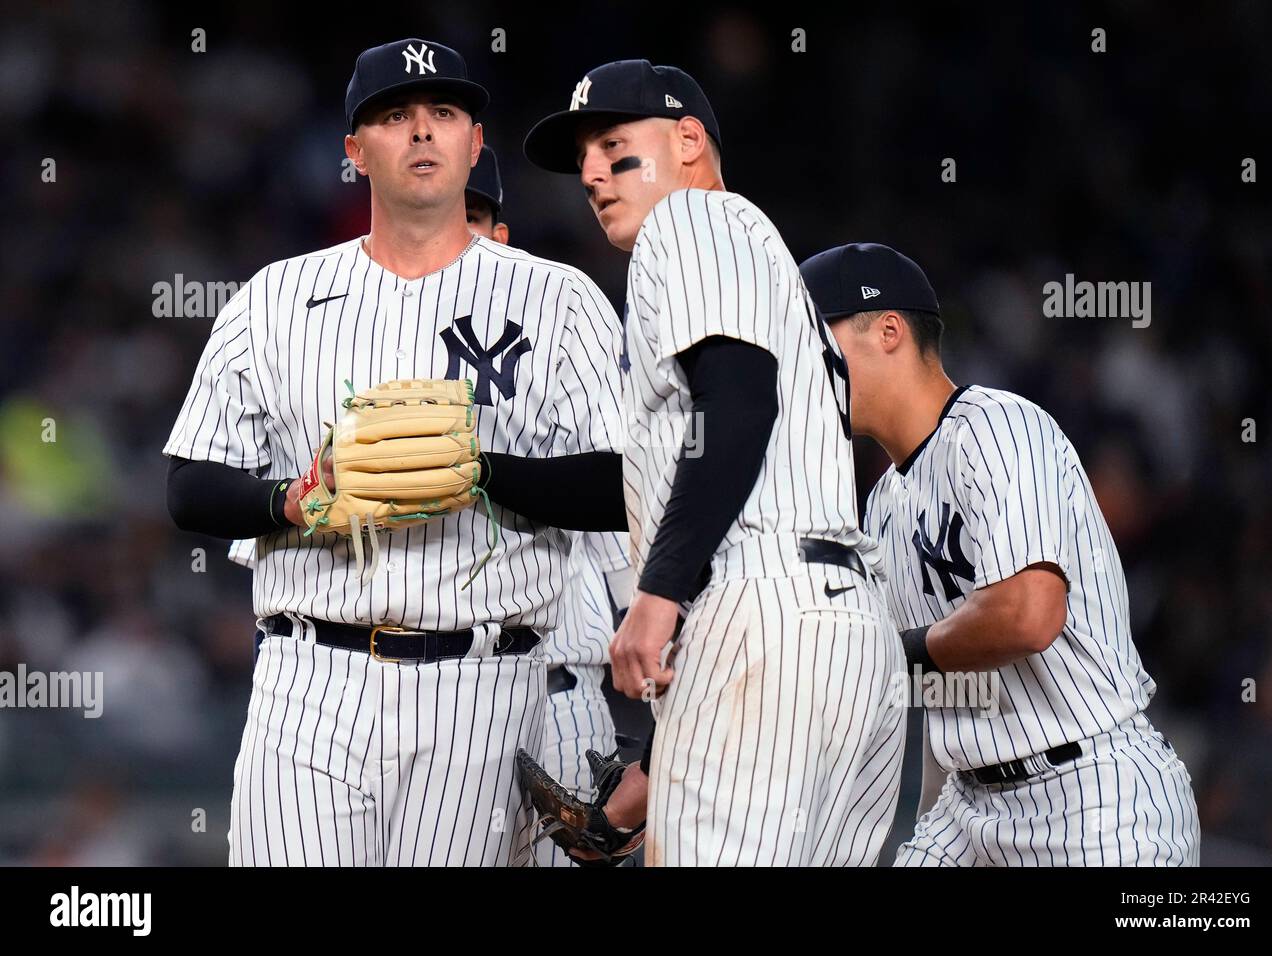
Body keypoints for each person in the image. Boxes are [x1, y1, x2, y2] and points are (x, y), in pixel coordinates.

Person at [164, 38, 623, 866]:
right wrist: (289, 501)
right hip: (311, 674)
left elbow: (624, 484)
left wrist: (483, 473)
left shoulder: (559, 299)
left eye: (443, 112)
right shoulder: (274, 298)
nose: (421, 131)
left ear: (474, 143)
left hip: (484, 684)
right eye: (394, 115)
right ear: (354, 151)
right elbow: (189, 484)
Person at [521, 60, 905, 866]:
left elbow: (737, 405)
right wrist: (487, 475)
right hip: (840, 628)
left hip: (757, 603)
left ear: (688, 140)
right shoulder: (757, 258)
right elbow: (646, 475)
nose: (590, 173)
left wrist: (656, 595)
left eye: (612, 144)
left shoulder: (690, 219)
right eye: (583, 158)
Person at [799, 242, 1201, 866]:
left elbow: (1027, 615)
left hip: (1092, 796)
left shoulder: (997, 426)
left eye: (816, 342)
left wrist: (889, 653)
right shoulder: (880, 504)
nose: (806, 367)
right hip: (969, 808)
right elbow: (906, 685)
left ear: (888, 331)